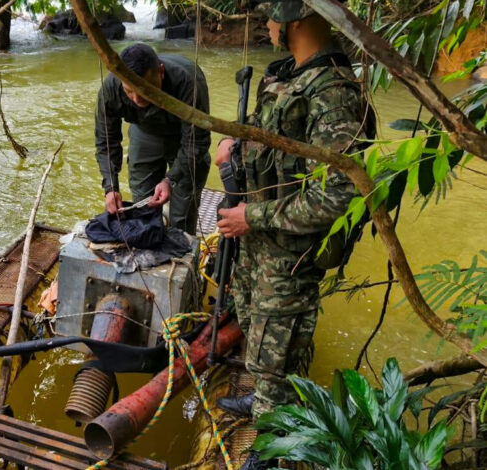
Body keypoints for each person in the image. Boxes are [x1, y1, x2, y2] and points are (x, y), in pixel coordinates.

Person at [214, 1, 375, 468]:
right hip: (261, 239)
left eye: (270, 17)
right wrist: (237, 144)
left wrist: (254, 218)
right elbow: (278, 145)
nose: (264, 25)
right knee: (256, 333)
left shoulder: (334, 92)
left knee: (277, 350)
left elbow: (338, 196)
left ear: (294, 21)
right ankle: (264, 398)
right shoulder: (294, 75)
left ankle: (272, 446)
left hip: (291, 249)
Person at [95, 43, 211, 235]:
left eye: (145, 90)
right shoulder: (111, 87)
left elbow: (197, 141)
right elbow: (106, 140)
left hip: (183, 136)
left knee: (182, 215)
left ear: (161, 72)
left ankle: (182, 252)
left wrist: (170, 180)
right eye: (129, 91)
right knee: (143, 209)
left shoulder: (188, 82)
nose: (137, 100)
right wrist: (110, 187)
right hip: (144, 132)